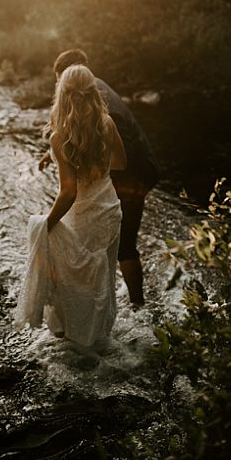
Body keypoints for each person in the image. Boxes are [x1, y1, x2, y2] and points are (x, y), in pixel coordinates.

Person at [19, 63, 126, 352]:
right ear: (93, 92)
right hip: (110, 210)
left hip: (83, 214)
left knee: (74, 280)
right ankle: (100, 336)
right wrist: (98, 170)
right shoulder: (107, 123)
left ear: (62, 95)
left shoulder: (59, 137)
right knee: (101, 274)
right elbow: (122, 163)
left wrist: (48, 224)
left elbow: (68, 192)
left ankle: (77, 339)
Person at [52, 47, 160, 307]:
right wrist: (52, 155)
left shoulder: (96, 100)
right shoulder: (92, 91)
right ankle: (109, 301)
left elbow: (120, 157)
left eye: (58, 81)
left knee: (124, 245)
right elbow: (83, 137)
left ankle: (137, 306)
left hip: (134, 176)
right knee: (103, 242)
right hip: (135, 169)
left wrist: (86, 173)